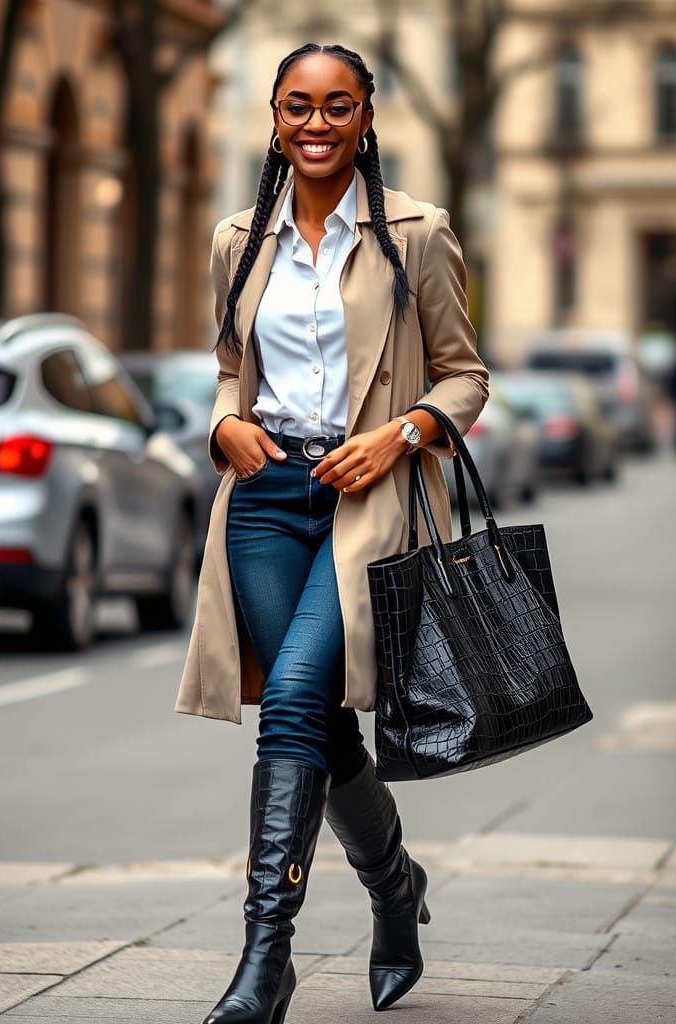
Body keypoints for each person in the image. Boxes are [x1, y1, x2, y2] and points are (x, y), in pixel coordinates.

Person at [175, 42, 489, 1024]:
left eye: (337, 107)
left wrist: (402, 435)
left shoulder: (416, 233)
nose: (316, 125)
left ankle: (265, 959)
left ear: (366, 118)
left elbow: (465, 375)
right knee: (313, 717)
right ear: (274, 117)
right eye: (298, 107)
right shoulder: (240, 236)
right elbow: (232, 367)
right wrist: (224, 421)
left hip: (368, 500)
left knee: (299, 697)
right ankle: (396, 888)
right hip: (265, 496)